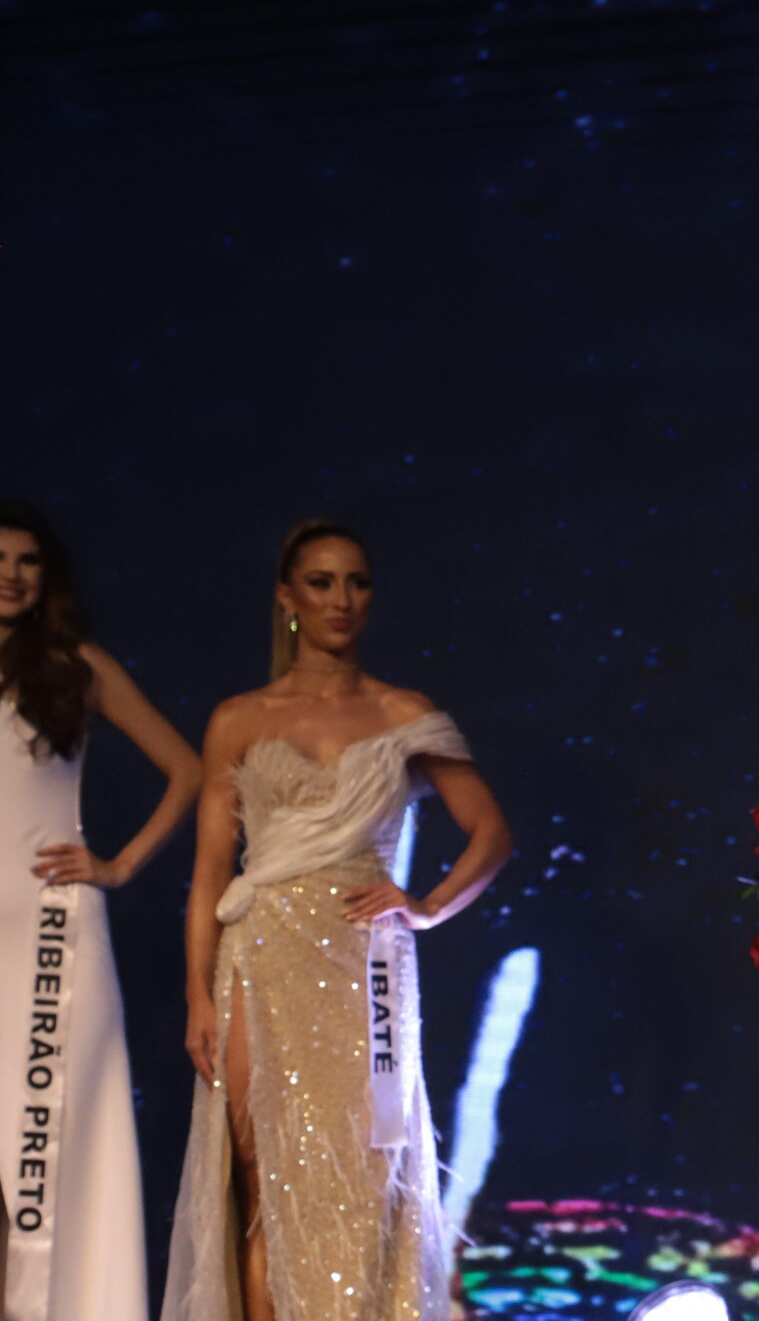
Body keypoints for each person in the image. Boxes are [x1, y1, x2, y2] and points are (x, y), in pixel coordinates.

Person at [163, 519, 512, 1321]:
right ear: (288, 598)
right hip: (261, 955)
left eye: (356, 582)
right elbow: (210, 873)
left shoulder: (403, 711)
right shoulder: (239, 719)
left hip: (365, 966)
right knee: (265, 1184)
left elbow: (491, 834)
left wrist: (424, 907)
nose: (341, 599)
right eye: (321, 582)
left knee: (365, 1178)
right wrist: (198, 997)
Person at [0, 500, 202, 1321]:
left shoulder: (73, 665)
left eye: (27, 561)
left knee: (46, 1149)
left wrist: (114, 865)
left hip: (50, 931)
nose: (10, 574)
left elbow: (187, 769)